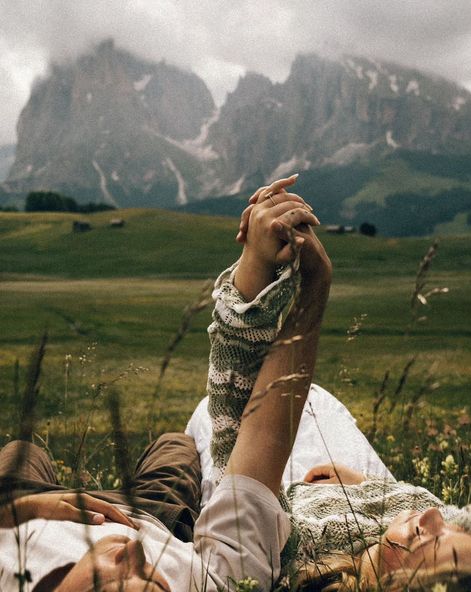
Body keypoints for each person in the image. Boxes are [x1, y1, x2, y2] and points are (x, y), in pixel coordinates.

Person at [0, 174, 331, 592]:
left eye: (116, 585)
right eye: (154, 583)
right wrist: (310, 286)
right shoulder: (214, 584)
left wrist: (17, 511)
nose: (134, 554)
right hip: (154, 515)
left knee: (20, 451)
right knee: (178, 446)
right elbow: (259, 441)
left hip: (14, 504)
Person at [186, 176, 471, 591]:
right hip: (347, 476)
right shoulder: (417, 519)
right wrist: (373, 489)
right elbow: (443, 512)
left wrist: (263, 267)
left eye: (435, 542)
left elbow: (239, 400)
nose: (434, 520)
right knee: (317, 401)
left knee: (211, 413)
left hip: (270, 473)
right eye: (454, 530)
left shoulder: (282, 564)